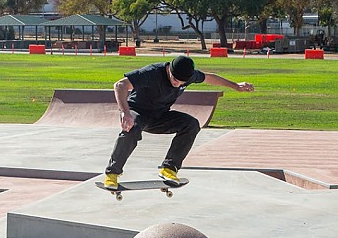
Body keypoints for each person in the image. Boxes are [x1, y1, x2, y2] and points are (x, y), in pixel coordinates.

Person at [103, 55, 255, 189]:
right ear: (169, 69)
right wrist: (125, 112)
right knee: (132, 129)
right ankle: (112, 173)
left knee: (191, 124)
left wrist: (235, 86)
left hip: (160, 116)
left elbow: (209, 77)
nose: (177, 84)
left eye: (182, 82)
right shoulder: (152, 72)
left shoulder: (189, 76)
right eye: (175, 80)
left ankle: (169, 169)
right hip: (138, 112)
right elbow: (120, 85)